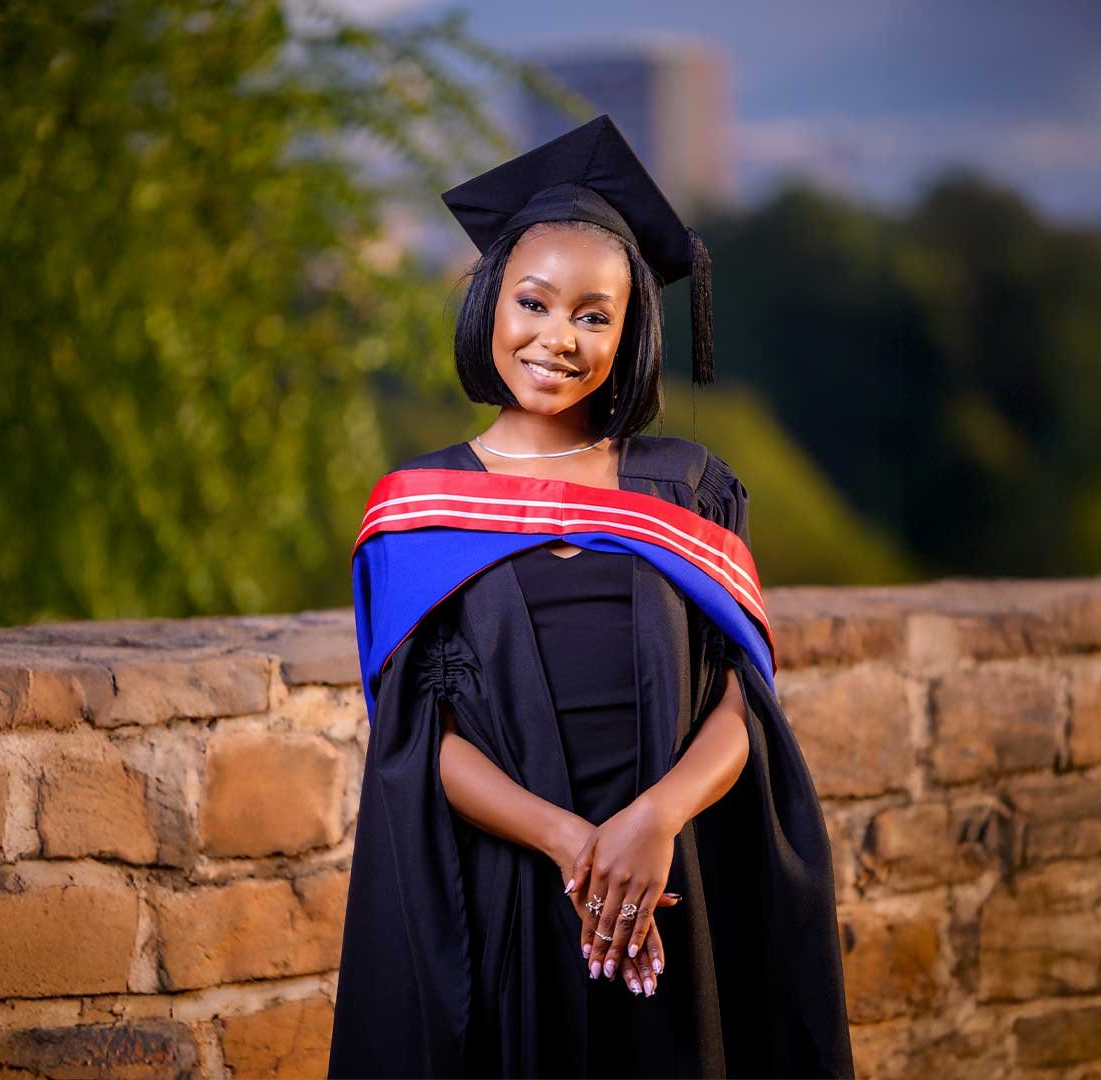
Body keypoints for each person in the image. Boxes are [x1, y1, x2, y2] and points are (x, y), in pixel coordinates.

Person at [330, 115, 853, 1078]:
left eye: (594, 315)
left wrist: (653, 822)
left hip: (675, 880)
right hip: (513, 895)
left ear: (631, 331)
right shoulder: (423, 508)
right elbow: (416, 736)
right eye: (534, 302)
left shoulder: (687, 486)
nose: (557, 338)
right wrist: (573, 845)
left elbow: (743, 696)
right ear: (491, 301)